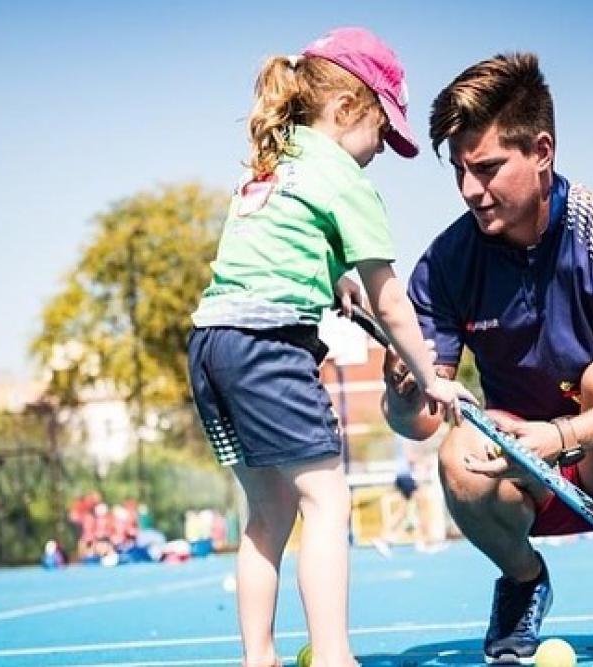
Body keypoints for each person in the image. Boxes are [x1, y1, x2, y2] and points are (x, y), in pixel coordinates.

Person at [381, 52, 593, 666]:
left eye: (487, 168)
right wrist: (403, 393)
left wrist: (564, 435)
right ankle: (523, 579)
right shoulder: (445, 264)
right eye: (459, 171)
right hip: (522, 470)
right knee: (457, 449)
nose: (469, 190)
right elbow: (421, 421)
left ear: (542, 151)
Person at [186, 27, 474, 667]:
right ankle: (336, 657)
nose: (379, 151)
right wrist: (432, 378)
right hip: (267, 345)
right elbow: (391, 300)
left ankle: (258, 658)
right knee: (328, 499)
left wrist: (331, 276)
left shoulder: (274, 157)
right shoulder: (343, 178)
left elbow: (276, 247)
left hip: (211, 344)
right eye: (381, 132)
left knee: (269, 511)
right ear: (346, 110)